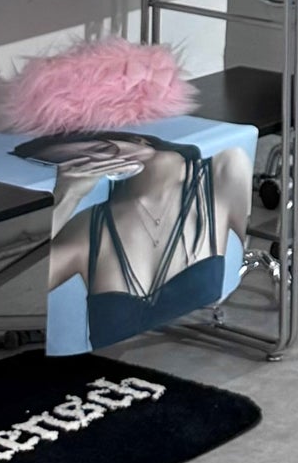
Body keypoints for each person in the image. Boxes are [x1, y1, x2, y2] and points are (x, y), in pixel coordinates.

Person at [14, 131, 252, 343]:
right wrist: (67, 195)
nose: (96, 161)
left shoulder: (222, 170)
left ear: (139, 140)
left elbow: (243, 256)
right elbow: (28, 286)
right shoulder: (89, 226)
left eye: (101, 149)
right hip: (115, 371)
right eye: (77, 162)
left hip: (207, 354)